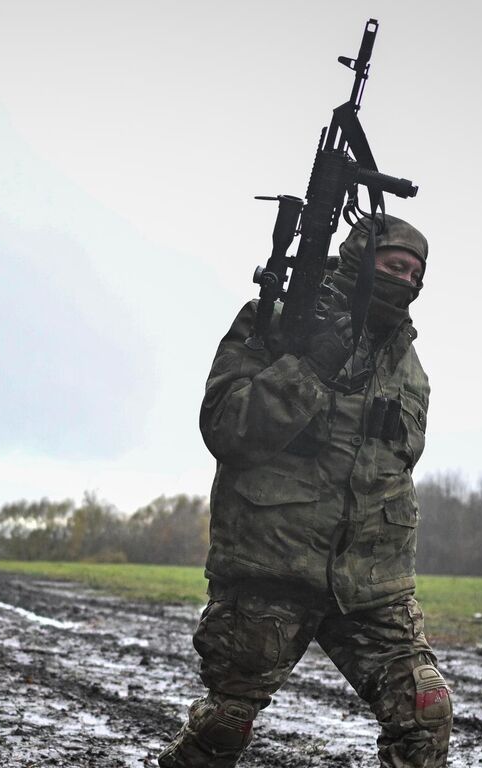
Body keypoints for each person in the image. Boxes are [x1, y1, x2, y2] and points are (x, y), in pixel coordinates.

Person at [157, 214, 451, 768]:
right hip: (272, 567)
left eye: (416, 274)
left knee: (426, 712)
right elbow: (225, 426)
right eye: (394, 267)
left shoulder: (407, 364)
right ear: (361, 263)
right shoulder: (278, 322)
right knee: (223, 726)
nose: (407, 282)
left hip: (371, 584)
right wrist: (310, 367)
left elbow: (396, 464)